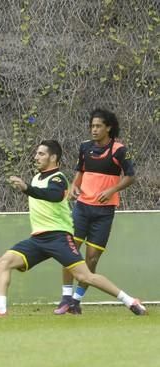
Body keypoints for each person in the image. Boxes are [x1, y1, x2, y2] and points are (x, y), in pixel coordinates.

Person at [0, 140, 146, 317]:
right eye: (36, 153)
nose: (36, 157)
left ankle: (130, 301)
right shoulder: (37, 178)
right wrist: (29, 187)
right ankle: (0, 308)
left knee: (85, 277)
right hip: (38, 239)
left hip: (59, 238)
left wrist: (26, 188)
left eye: (41, 154)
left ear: (53, 157)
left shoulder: (58, 179)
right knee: (4, 262)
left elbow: (53, 195)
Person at [54, 109, 135, 315]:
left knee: (91, 259)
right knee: (69, 251)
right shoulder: (85, 147)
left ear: (108, 127)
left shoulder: (119, 150)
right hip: (82, 208)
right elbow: (81, 171)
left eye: (98, 126)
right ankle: (65, 298)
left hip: (104, 212)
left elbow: (131, 176)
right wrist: (73, 185)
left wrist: (112, 190)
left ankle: (76, 302)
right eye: (92, 126)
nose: (94, 130)